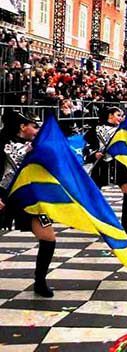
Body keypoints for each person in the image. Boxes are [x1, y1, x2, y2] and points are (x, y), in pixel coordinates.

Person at [0, 112, 56, 297]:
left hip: (30, 197)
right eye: (34, 126)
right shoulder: (2, 143)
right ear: (23, 127)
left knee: (48, 237)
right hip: (4, 195)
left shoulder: (38, 145)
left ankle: (40, 281)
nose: (37, 130)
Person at [84, 107, 127, 233]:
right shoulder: (96, 129)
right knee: (92, 194)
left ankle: (124, 222)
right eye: (118, 115)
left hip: (119, 163)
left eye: (121, 115)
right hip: (101, 165)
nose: (120, 118)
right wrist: (94, 154)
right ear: (110, 115)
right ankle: (89, 219)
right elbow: (86, 147)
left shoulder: (122, 130)